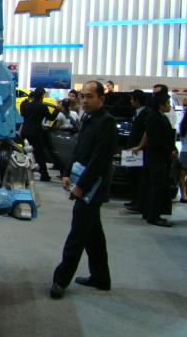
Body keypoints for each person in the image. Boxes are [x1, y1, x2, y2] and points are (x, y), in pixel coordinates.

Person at [50, 81, 117, 299]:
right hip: (82, 181)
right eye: (83, 96)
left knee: (77, 234)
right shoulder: (87, 118)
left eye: (90, 97)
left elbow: (100, 159)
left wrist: (81, 186)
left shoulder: (107, 123)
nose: (85, 101)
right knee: (93, 233)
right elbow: (79, 149)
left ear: (101, 99)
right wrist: (67, 172)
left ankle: (60, 280)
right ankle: (101, 277)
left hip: (93, 187)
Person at [141, 92, 177, 227]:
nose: (169, 106)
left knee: (155, 186)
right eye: (167, 103)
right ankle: (153, 216)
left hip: (159, 156)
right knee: (156, 187)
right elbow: (156, 140)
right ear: (161, 105)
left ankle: (150, 213)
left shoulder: (161, 117)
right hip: (156, 157)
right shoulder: (155, 118)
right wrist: (169, 151)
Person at [21, 87, 58, 182]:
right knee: (39, 154)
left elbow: (23, 114)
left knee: (24, 153)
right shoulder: (43, 107)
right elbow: (51, 118)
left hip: (25, 131)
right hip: (36, 132)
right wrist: (57, 110)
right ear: (42, 95)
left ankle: (22, 174)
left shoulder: (26, 105)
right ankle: (44, 175)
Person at [123, 90, 150, 212]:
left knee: (139, 177)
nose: (130, 101)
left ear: (137, 100)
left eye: (132, 99)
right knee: (132, 175)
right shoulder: (136, 112)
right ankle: (134, 200)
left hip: (139, 150)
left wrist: (139, 146)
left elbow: (146, 132)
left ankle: (139, 203)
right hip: (132, 148)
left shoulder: (146, 113)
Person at [178, 100, 187, 203]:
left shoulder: (183, 123)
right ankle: (185, 194)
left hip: (184, 150)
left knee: (182, 174)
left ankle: (183, 194)